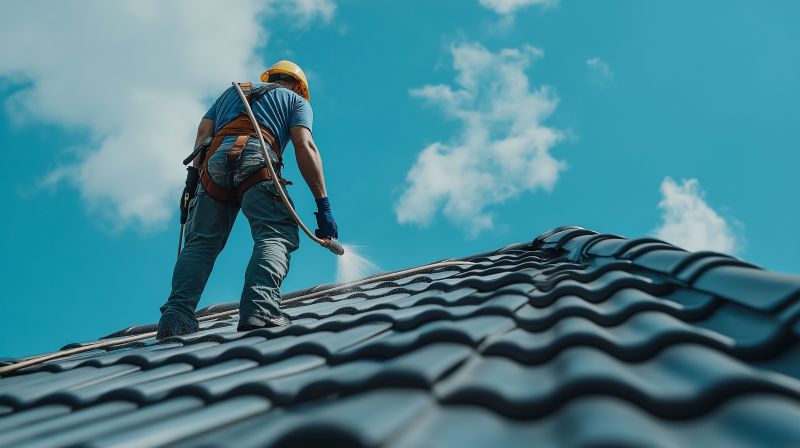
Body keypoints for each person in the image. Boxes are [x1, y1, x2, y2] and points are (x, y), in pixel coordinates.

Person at [157, 60, 338, 338]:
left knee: (201, 243)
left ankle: (176, 316)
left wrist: (192, 182)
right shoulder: (295, 101)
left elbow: (203, 135)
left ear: (271, 77)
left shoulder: (233, 92)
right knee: (275, 234)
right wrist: (323, 207)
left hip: (213, 166)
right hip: (257, 159)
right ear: (298, 86)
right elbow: (305, 145)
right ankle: (260, 308)